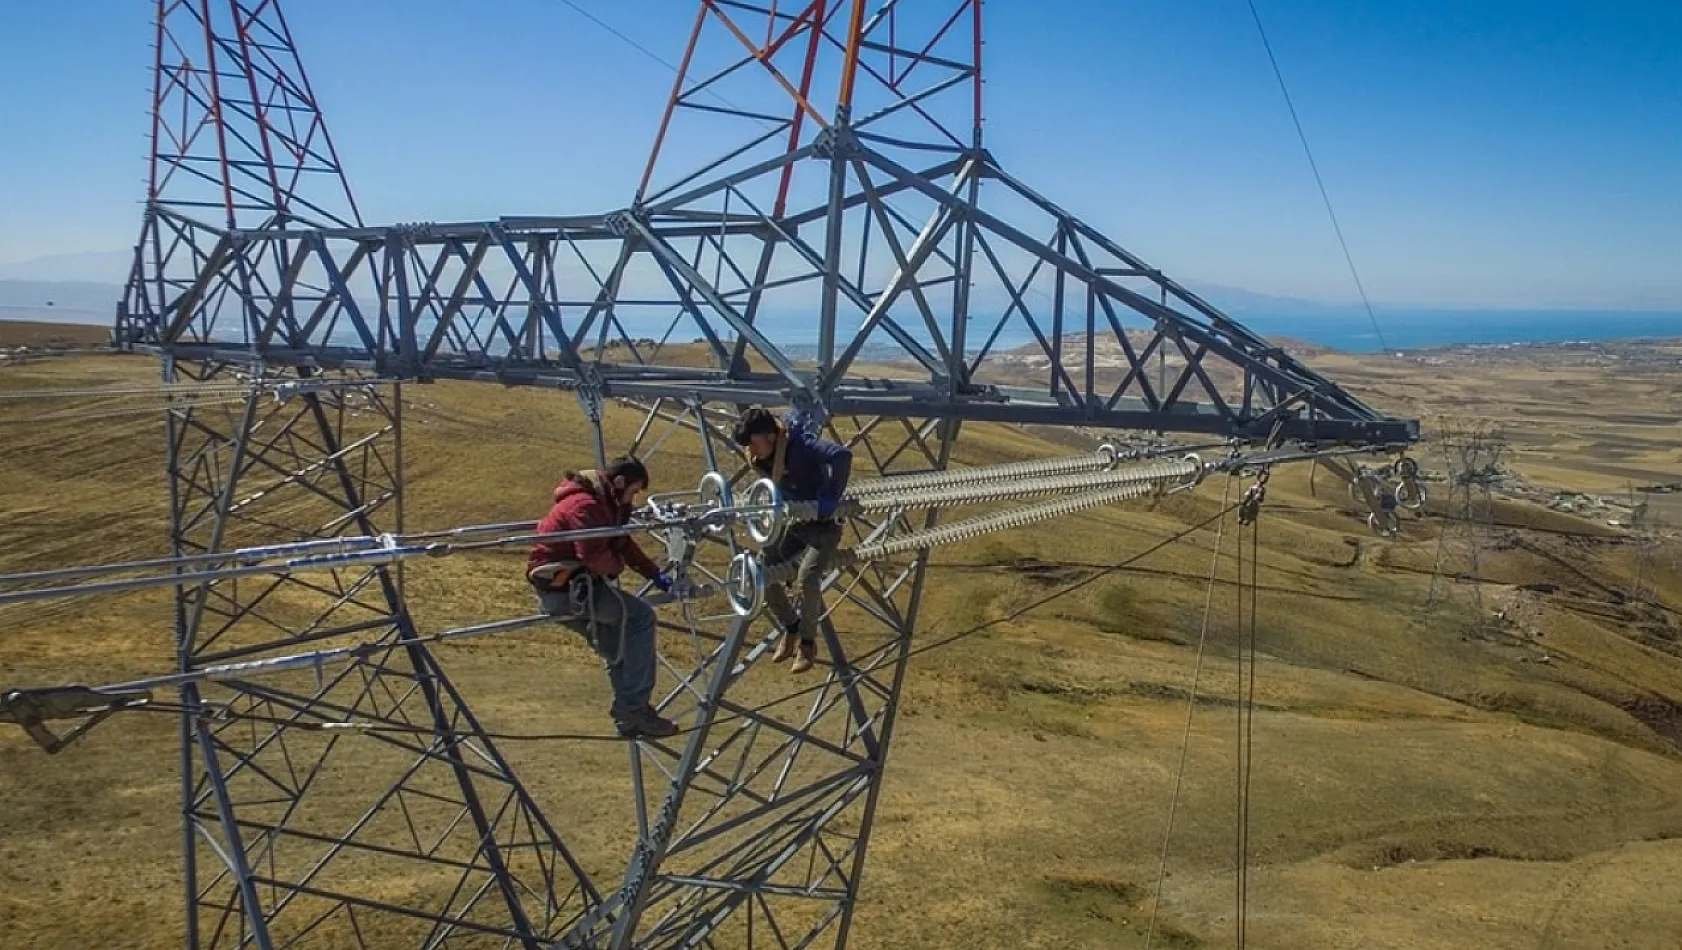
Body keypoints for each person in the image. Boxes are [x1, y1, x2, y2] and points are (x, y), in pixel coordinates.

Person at [526, 456, 679, 738]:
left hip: (566, 591)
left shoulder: (606, 506)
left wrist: (653, 574)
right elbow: (594, 555)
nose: (632, 500)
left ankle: (628, 716)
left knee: (618, 648)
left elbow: (621, 542)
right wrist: (618, 567)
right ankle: (633, 710)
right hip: (569, 591)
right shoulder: (585, 506)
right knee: (641, 619)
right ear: (619, 482)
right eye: (632, 491)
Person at [732, 408, 852, 674]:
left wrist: (831, 495)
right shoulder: (760, 458)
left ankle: (807, 644)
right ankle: (792, 628)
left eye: (754, 442)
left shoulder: (800, 445)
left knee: (808, 578)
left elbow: (841, 456)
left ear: (771, 436)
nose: (751, 450)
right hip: (795, 524)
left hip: (823, 527)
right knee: (762, 572)